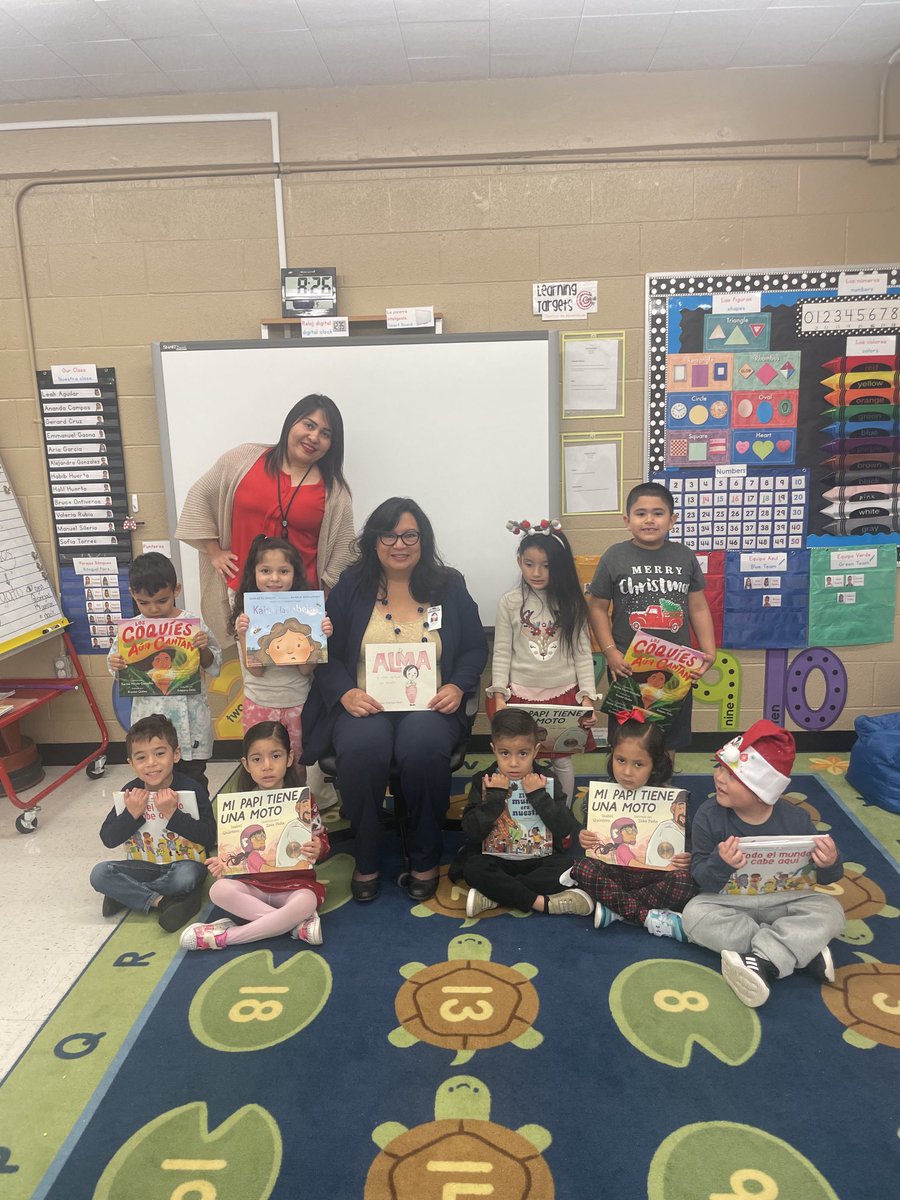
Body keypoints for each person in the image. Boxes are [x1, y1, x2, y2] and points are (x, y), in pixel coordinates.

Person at [301, 497, 488, 903]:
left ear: (423, 539)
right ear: (373, 540)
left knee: (421, 747)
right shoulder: (351, 586)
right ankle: (366, 857)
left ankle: (425, 855)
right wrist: (345, 692)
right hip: (365, 703)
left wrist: (457, 685)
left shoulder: (448, 585)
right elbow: (324, 653)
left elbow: (475, 648)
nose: (399, 544)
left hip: (431, 706)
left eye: (409, 535)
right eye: (389, 534)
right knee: (363, 748)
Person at [681, 720, 845, 1007]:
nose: (718, 777)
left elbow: (826, 878)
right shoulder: (708, 815)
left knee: (832, 909)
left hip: (784, 900)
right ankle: (799, 950)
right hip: (729, 903)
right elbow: (700, 879)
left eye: (731, 775)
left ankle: (763, 958)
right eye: (719, 767)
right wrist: (721, 863)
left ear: (761, 791)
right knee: (693, 915)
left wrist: (829, 862)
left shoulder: (796, 820)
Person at [175, 394, 355, 649]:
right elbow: (200, 496)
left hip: (301, 599)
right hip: (245, 592)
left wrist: (322, 598)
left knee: (299, 675)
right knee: (255, 675)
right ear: (291, 423)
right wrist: (214, 551)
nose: (314, 437)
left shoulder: (334, 491)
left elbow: (343, 551)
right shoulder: (244, 460)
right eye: (309, 425)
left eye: (326, 433)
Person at [587, 482, 716, 758]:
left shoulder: (684, 556)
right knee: (627, 737)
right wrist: (610, 652)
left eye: (658, 513)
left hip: (676, 666)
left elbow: (698, 607)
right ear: (627, 520)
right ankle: (625, 791)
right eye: (640, 513)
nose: (649, 520)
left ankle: (664, 790)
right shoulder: (614, 556)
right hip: (629, 667)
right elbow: (597, 608)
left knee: (668, 738)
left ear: (672, 520)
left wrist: (709, 651)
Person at [180, 721, 329, 951]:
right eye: (257, 759)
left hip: (294, 887)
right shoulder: (239, 806)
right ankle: (293, 926)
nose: (267, 766)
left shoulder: (304, 802)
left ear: (289, 759)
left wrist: (319, 847)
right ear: (246, 764)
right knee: (218, 890)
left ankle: (225, 937)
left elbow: (322, 840)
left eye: (276, 756)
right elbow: (234, 852)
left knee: (306, 900)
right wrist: (223, 862)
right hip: (253, 887)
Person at [488, 519, 599, 805]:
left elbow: (582, 653)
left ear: (559, 565)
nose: (536, 572)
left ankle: (561, 818)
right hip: (519, 696)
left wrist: (586, 699)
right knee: (519, 761)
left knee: (561, 762)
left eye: (546, 565)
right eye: (529, 564)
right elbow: (501, 651)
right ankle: (519, 823)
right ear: (518, 561)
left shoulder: (572, 603)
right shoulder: (510, 602)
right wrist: (500, 695)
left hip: (562, 695)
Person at [450, 708, 593, 919]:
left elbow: (564, 828)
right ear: (493, 749)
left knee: (571, 865)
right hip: (496, 858)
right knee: (473, 867)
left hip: (539, 860)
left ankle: (496, 895)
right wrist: (495, 797)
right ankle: (541, 903)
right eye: (505, 753)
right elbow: (472, 832)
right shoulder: (484, 780)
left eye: (523, 753)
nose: (514, 763)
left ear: (535, 751)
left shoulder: (546, 779)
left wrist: (539, 795)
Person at [570, 711, 697, 941]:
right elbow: (594, 845)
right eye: (621, 760)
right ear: (612, 756)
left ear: (655, 765)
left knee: (685, 882)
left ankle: (615, 909)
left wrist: (685, 858)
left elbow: (684, 847)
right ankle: (644, 915)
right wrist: (585, 838)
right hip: (614, 873)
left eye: (638, 764)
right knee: (581, 868)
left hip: (653, 876)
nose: (627, 772)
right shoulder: (597, 797)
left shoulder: (672, 801)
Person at [90, 714, 215, 931]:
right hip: (145, 866)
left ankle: (126, 894)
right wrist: (131, 815)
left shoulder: (192, 789)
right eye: (141, 758)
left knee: (188, 877)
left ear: (175, 754)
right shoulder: (131, 792)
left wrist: (173, 815)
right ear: (131, 764)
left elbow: (210, 836)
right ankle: (163, 901)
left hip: (184, 865)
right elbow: (108, 838)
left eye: (159, 753)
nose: (151, 764)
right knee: (99, 873)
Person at [108, 552, 221, 790]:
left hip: (190, 725)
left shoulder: (192, 624)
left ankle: (197, 824)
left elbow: (213, 664)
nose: (154, 609)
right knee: (153, 783)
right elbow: (116, 668)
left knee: (194, 782)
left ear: (176, 590)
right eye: (144, 602)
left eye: (162, 600)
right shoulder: (131, 630)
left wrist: (202, 649)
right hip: (149, 727)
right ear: (132, 595)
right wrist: (116, 665)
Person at [230, 534, 333, 763]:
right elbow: (256, 671)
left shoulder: (307, 612)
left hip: (298, 702)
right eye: (265, 571)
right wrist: (244, 635)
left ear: (294, 574)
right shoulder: (246, 616)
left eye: (283, 571)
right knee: (262, 767)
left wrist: (319, 635)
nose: (274, 579)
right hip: (260, 703)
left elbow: (306, 670)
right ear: (253, 573)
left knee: (295, 765)